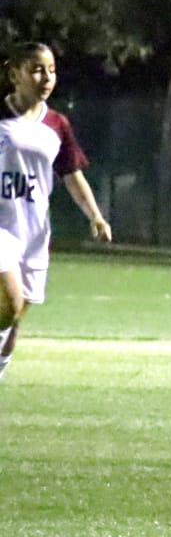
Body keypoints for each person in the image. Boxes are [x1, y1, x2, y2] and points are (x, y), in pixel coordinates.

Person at [0, 42, 113, 383]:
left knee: (15, 319)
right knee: (11, 303)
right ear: (14, 74)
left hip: (34, 232)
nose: (46, 77)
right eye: (36, 69)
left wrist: (95, 215)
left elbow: (72, 175)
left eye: (51, 70)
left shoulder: (56, 124)